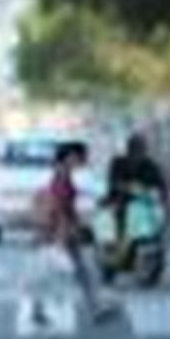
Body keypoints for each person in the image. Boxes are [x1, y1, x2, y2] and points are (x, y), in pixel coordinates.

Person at [25, 140, 110, 328]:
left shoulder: (63, 173)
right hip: (60, 230)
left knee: (75, 271)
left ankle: (95, 308)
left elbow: (65, 200)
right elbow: (60, 205)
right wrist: (64, 232)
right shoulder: (62, 174)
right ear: (70, 156)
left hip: (61, 229)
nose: (82, 161)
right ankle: (94, 308)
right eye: (80, 157)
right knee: (57, 272)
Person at [104, 131, 170, 257]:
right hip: (119, 200)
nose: (138, 152)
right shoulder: (118, 163)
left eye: (141, 149)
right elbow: (113, 181)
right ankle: (114, 251)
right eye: (134, 148)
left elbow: (162, 185)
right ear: (128, 149)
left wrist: (165, 203)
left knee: (155, 223)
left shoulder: (151, 165)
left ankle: (153, 250)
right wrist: (125, 187)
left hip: (143, 203)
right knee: (117, 217)